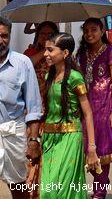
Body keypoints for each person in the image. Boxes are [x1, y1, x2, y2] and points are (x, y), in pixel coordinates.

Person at [40, 33, 98, 199]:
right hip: (49, 139)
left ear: (65, 53)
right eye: (45, 50)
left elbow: (87, 113)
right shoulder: (48, 77)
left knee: (64, 190)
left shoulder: (75, 78)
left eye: (50, 50)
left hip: (71, 137)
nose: (45, 54)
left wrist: (92, 149)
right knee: (48, 191)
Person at [76, 18, 112, 199]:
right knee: (87, 146)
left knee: (102, 149)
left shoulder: (110, 52)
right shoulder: (81, 53)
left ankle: (99, 192)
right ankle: (100, 182)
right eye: (86, 31)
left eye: (93, 30)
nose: (89, 34)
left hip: (105, 106)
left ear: (102, 31)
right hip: (86, 107)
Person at [0, 16, 42, 199]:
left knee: (18, 187)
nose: (1, 40)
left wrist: (33, 141)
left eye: (4, 36)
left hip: (13, 133)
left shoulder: (22, 63)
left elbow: (33, 105)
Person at [22, 22, 57, 97]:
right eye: (42, 33)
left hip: (55, 96)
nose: (46, 36)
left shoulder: (61, 53)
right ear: (37, 35)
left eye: (50, 34)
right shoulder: (30, 51)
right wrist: (46, 49)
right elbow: (25, 66)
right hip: (34, 95)